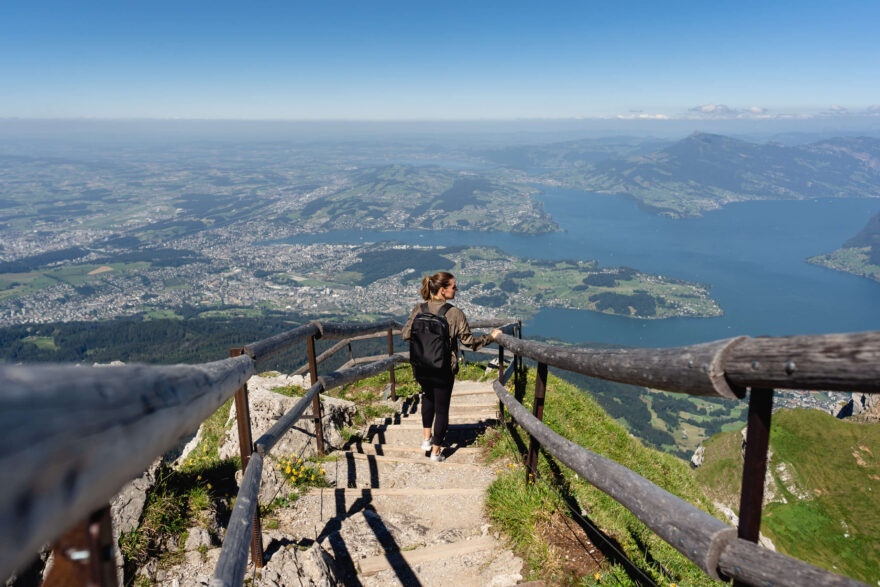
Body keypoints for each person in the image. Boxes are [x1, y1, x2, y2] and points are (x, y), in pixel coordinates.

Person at [401, 271, 503, 462]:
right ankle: (436, 452)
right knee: (442, 409)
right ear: (442, 290)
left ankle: (426, 440)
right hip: (443, 369)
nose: (457, 289)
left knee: (427, 398)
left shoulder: (419, 309)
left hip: (421, 367)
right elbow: (470, 342)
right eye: (454, 286)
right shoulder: (454, 313)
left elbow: (405, 334)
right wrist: (491, 337)